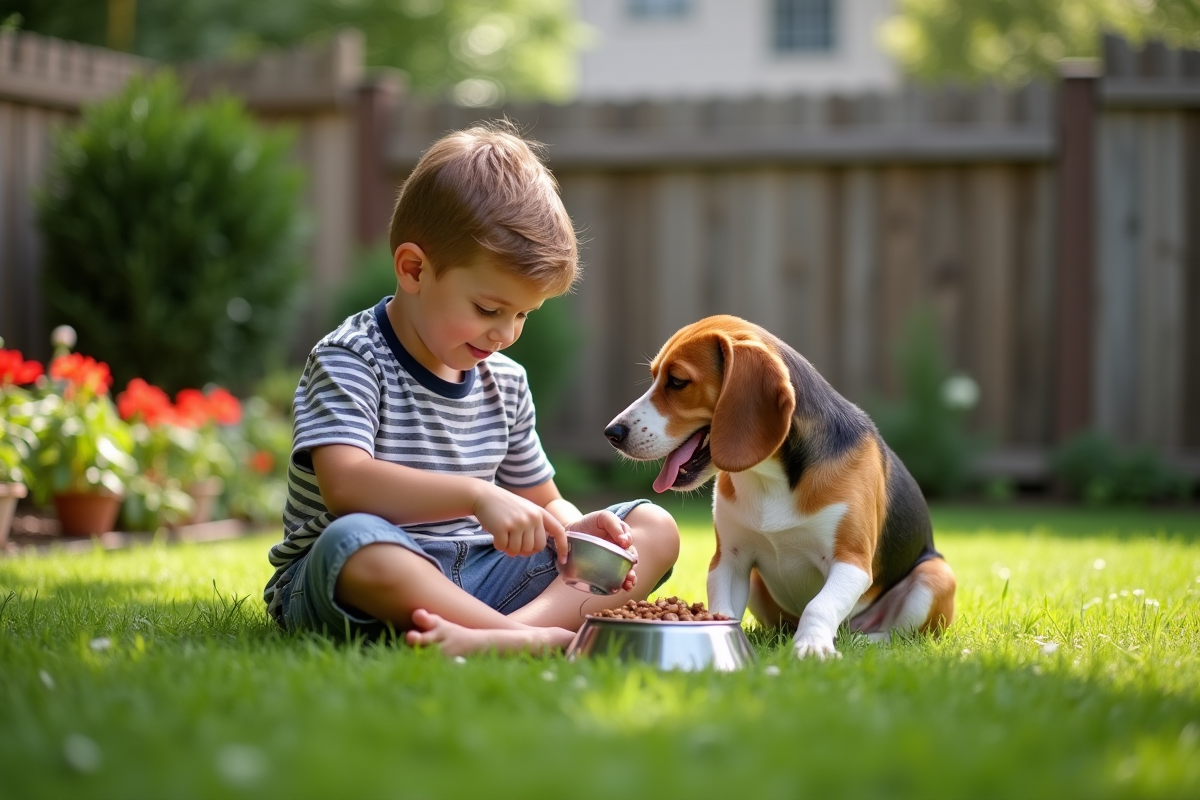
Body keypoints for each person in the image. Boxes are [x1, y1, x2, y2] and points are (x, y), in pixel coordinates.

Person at [262, 121, 681, 657]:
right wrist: (476, 494)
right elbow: (347, 486)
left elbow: (541, 499)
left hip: (481, 575)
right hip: (361, 573)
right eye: (488, 309)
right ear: (414, 269)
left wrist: (579, 529)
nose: (505, 334)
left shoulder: (504, 381)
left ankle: (504, 634)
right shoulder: (352, 357)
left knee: (654, 525)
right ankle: (524, 638)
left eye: (523, 314)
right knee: (352, 541)